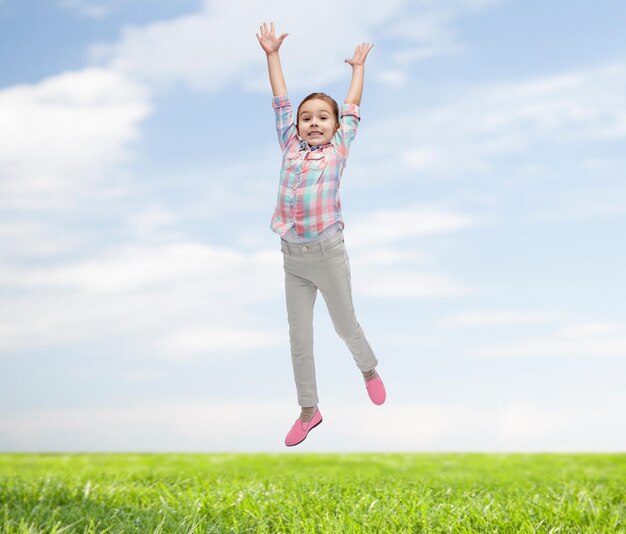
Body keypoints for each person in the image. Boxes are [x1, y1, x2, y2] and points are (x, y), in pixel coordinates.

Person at [256, 22, 386, 447]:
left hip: (328, 253)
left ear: (335, 126)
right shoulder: (289, 145)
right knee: (299, 338)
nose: (313, 123)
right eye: (306, 118)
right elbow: (280, 99)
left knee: (345, 326)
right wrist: (272, 55)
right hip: (292, 257)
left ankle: (367, 369)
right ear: (296, 126)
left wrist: (357, 68)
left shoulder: (340, 148)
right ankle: (309, 411)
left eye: (322, 118)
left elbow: (351, 104)